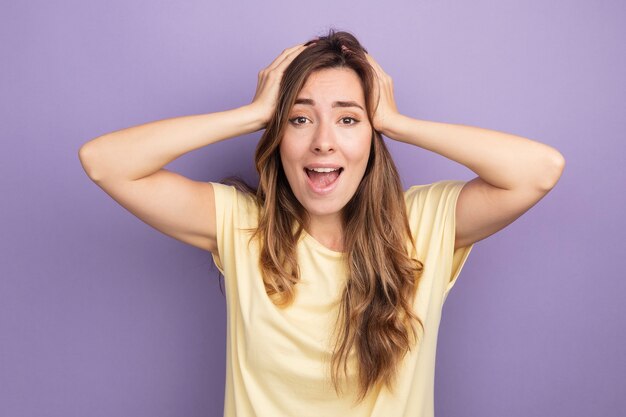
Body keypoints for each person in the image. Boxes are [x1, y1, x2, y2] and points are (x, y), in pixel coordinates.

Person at [78, 30, 564, 417]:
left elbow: (539, 170)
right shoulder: (242, 225)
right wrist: (252, 113)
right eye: (300, 119)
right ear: (279, 134)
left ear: (373, 137)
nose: (324, 143)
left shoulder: (420, 225)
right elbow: (104, 161)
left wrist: (398, 123)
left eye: (349, 120)